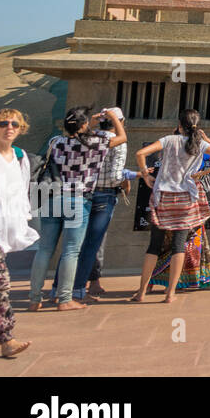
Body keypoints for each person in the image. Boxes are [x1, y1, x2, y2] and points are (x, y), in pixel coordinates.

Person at [28, 107, 127, 312]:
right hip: (77, 200)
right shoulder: (95, 144)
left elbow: (76, 131)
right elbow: (122, 137)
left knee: (45, 249)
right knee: (71, 251)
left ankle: (34, 298)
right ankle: (65, 299)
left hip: (52, 199)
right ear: (83, 125)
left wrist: (86, 122)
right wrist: (110, 118)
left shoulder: (55, 142)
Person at [131, 109, 210, 304]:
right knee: (179, 246)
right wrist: (202, 173)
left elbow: (140, 153)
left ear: (179, 125)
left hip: (163, 198)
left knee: (154, 245)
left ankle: (141, 292)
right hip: (187, 199)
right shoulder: (200, 145)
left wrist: (145, 174)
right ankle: (170, 293)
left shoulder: (168, 140)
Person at [0, 109, 39, 357]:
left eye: (15, 123)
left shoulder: (20, 157)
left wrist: (23, 218)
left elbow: (22, 190)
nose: (9, 127)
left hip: (3, 231)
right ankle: (7, 339)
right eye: (3, 123)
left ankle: (5, 341)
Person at [72, 106, 136, 303]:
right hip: (103, 194)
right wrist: (125, 179)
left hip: (80, 193)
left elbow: (75, 134)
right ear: (121, 122)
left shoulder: (85, 138)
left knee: (73, 244)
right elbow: (115, 176)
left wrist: (92, 122)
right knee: (94, 243)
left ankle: (63, 288)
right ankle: (83, 287)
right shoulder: (116, 141)